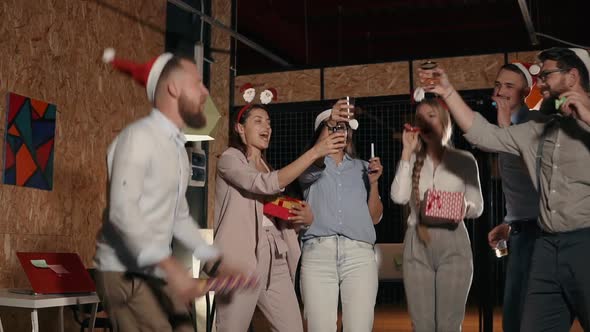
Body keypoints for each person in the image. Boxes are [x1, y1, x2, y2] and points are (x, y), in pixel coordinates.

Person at [419, 47, 590, 331]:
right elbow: (485, 135)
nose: (542, 83)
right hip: (547, 247)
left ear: (572, 76)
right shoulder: (539, 128)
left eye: (546, 75)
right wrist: (447, 91)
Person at [95, 49, 234, 332]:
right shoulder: (138, 137)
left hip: (157, 271)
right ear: (173, 88)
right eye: (197, 82)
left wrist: (214, 259)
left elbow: (179, 216)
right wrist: (173, 269)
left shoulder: (178, 151)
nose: (205, 91)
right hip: (125, 273)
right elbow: (123, 212)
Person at [213, 103, 346, 332]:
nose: (267, 126)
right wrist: (315, 152)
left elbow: (274, 213)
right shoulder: (230, 158)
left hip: (276, 256)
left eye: (269, 122)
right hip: (240, 259)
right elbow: (262, 184)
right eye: (258, 120)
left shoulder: (266, 166)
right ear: (240, 128)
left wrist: (302, 218)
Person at [390, 98, 483, 332]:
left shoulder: (464, 160)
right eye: (420, 118)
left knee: (449, 325)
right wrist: (405, 153)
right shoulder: (411, 159)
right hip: (417, 241)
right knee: (422, 325)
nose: (425, 122)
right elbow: (399, 198)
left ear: (444, 121)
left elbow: (478, 205)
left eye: (431, 116)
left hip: (454, 242)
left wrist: (465, 206)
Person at [298, 99, 384, 332]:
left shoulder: (363, 167)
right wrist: (329, 127)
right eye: (334, 126)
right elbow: (310, 166)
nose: (341, 132)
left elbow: (375, 218)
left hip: (359, 256)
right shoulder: (308, 163)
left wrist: (374, 184)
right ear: (321, 131)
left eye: (344, 127)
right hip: (318, 254)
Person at [485, 63, 540, 332]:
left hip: (542, 232)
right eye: (498, 85)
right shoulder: (505, 126)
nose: (501, 91)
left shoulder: (534, 124)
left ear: (526, 91)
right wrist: (509, 222)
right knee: (515, 316)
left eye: (509, 85)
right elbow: (521, 188)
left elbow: (538, 176)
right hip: (520, 231)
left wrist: (505, 125)